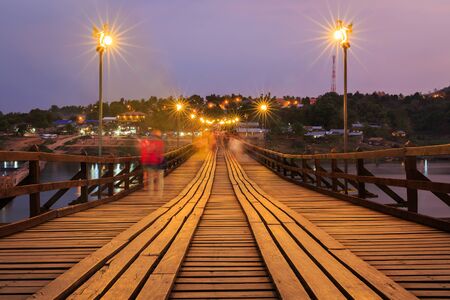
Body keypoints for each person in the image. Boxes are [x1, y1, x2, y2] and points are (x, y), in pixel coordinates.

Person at [140, 130, 165, 194]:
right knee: (156, 175)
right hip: (156, 161)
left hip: (147, 160)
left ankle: (147, 188)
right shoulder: (160, 142)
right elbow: (160, 152)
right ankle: (156, 189)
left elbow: (145, 150)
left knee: (147, 174)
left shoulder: (148, 142)